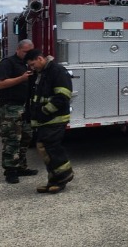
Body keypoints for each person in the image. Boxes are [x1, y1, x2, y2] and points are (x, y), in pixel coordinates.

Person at [25, 49, 74, 194]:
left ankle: (64, 177)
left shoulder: (57, 71)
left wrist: (44, 111)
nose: (32, 68)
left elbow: (63, 96)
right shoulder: (43, 72)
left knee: (50, 148)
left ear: (40, 59)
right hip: (46, 119)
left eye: (33, 64)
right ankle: (53, 180)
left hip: (55, 118)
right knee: (45, 148)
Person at [0, 39, 38, 184]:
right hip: (10, 107)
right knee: (12, 138)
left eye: (30, 52)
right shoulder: (8, 63)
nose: (28, 54)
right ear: (18, 50)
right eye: (26, 52)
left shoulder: (28, 64)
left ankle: (21, 166)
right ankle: (10, 171)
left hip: (25, 106)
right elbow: (0, 84)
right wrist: (22, 78)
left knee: (26, 137)